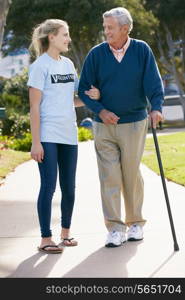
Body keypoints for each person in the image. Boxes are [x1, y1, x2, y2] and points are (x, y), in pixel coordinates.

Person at [78, 7, 164, 247]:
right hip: (103, 126)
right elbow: (83, 89)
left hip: (134, 123)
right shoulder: (96, 54)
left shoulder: (141, 50)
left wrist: (156, 107)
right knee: (109, 177)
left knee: (131, 175)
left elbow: (153, 83)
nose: (106, 32)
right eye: (105, 27)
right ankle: (115, 228)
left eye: (110, 28)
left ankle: (135, 223)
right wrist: (101, 110)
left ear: (125, 28)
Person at [27, 19, 100, 254]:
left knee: (69, 188)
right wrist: (36, 142)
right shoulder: (40, 66)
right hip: (48, 134)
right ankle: (45, 238)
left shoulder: (68, 64)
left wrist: (93, 97)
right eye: (65, 35)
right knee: (49, 186)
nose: (69, 39)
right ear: (51, 37)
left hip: (69, 134)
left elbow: (74, 99)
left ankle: (65, 235)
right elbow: (34, 107)